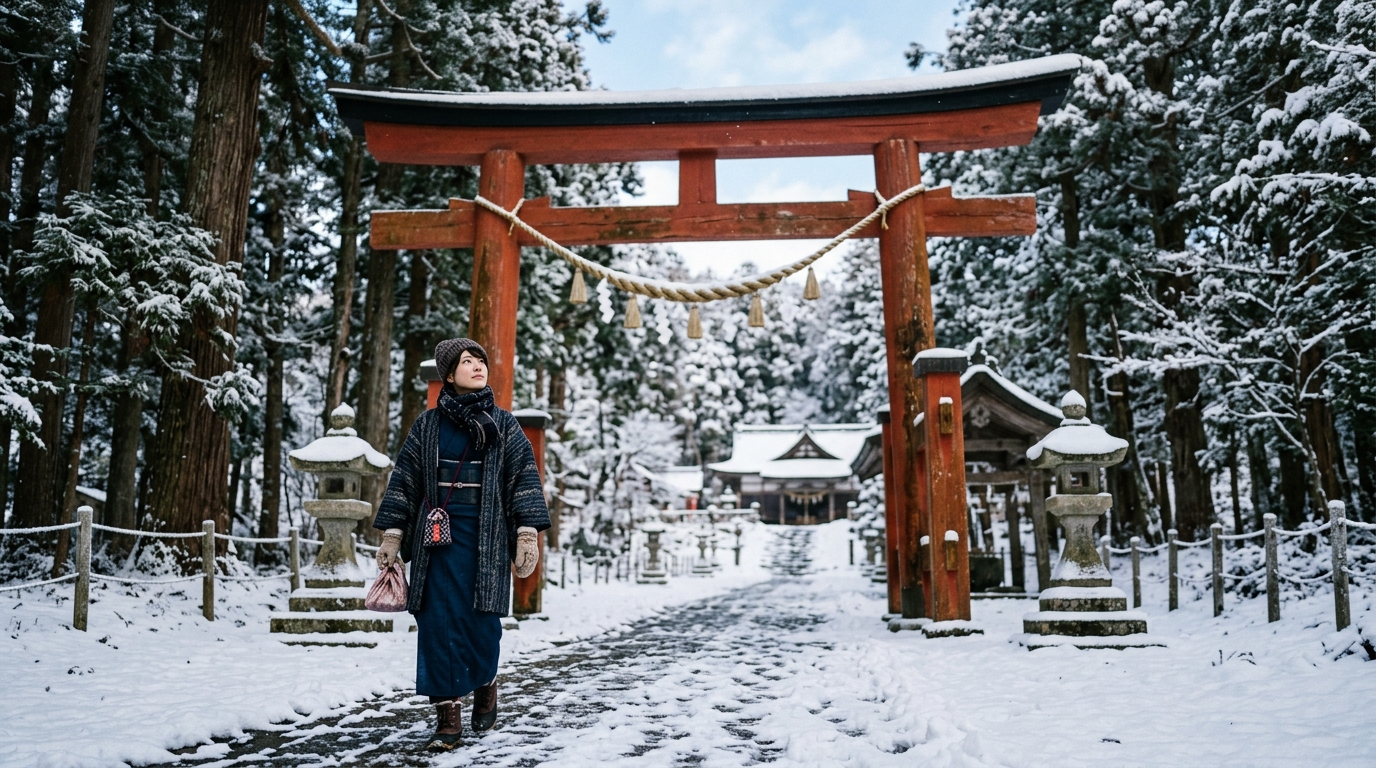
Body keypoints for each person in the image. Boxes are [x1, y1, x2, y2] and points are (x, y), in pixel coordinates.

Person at [374, 338, 549, 751]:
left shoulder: (504, 424)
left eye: (480, 360)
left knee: (482, 624)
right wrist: (393, 534)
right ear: (449, 375)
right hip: (435, 541)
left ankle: (486, 681)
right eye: (466, 362)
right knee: (436, 625)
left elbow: (524, 478)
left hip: (485, 539)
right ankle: (447, 718)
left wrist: (526, 532)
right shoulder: (427, 426)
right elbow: (405, 481)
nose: (477, 366)